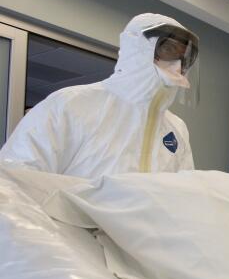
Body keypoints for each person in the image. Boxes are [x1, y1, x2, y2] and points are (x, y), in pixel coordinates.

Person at [0, 13, 196, 177]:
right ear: (139, 48)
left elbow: (181, 197)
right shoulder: (70, 105)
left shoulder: (177, 129)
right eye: (169, 49)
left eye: (184, 58)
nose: (177, 66)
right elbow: (14, 182)